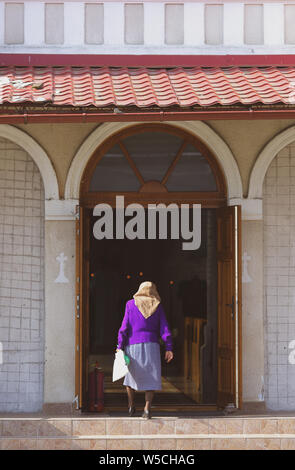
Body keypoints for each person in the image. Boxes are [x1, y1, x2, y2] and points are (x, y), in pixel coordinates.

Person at [116, 281, 174, 419]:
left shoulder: (130, 304)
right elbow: (164, 328)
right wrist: (169, 347)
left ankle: (131, 405)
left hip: (133, 346)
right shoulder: (157, 305)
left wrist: (119, 346)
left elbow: (124, 328)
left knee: (130, 377)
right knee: (151, 377)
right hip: (152, 346)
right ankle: (147, 409)